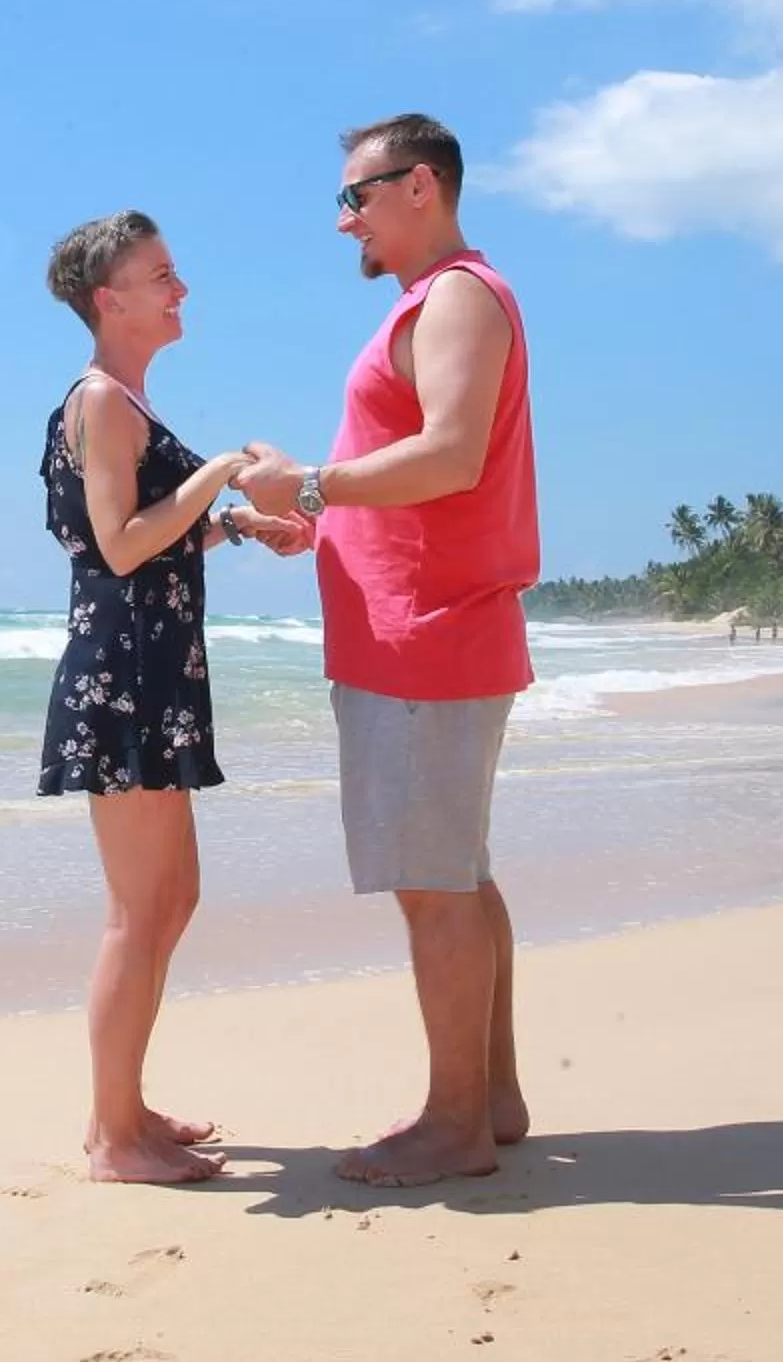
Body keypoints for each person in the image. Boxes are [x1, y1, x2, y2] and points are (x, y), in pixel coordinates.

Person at [238, 115, 538, 1188]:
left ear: (421, 185)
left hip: (426, 635)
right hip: (431, 623)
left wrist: (314, 482)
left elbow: (452, 455)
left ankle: (453, 1122)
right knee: (457, 872)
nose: (343, 218)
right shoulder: (441, 299)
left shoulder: (458, 293)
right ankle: (489, 1098)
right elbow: (414, 474)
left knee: (435, 884)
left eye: (356, 196)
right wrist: (310, 520)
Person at [40, 210, 309, 1184]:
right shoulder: (102, 399)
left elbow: (151, 539)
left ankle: (127, 1104)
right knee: (136, 908)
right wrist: (226, 469)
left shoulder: (128, 405)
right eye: (161, 275)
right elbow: (116, 545)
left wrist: (231, 525)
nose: (180, 288)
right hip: (122, 680)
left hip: (153, 672)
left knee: (172, 895)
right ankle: (113, 1136)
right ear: (110, 301)